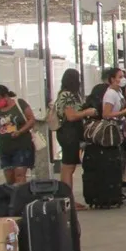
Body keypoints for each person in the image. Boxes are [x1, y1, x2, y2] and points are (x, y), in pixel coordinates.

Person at [53, 69, 97, 209]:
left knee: (68, 166)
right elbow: (71, 116)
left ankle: (67, 199)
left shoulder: (68, 94)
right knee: (68, 167)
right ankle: (67, 200)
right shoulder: (68, 96)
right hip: (69, 132)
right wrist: (86, 112)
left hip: (69, 133)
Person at [0, 85, 37, 185]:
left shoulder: (19, 103)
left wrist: (20, 131)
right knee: (9, 178)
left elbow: (31, 120)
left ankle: (20, 198)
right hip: (5, 150)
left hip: (22, 147)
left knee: (19, 175)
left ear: (6, 96)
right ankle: (12, 196)